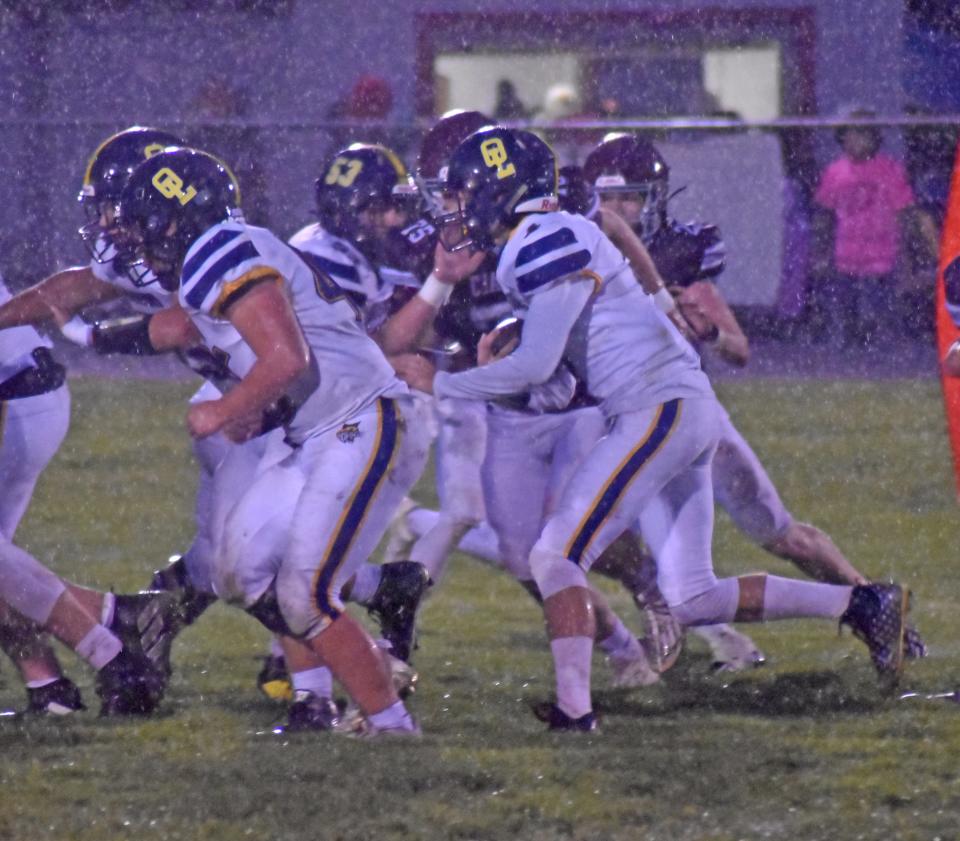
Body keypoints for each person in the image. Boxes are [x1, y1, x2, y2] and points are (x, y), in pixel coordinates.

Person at [400, 126, 912, 731]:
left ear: (498, 192)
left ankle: (574, 711)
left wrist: (444, 383)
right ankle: (865, 604)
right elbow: (559, 380)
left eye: (464, 192)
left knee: (554, 553)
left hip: (656, 408)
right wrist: (505, 373)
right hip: (671, 407)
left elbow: (539, 362)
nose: (453, 206)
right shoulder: (547, 235)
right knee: (693, 596)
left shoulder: (541, 239)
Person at [115, 146, 436, 736]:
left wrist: (227, 409)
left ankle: (391, 727)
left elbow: (287, 357)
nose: (134, 240)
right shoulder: (220, 252)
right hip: (313, 433)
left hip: (357, 420)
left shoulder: (220, 249)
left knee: (305, 595)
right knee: (236, 570)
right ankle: (369, 650)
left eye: (139, 225)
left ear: (172, 220)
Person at [582, 132, 928, 665]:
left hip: (684, 421)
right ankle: (693, 638)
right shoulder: (576, 252)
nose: (618, 211)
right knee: (604, 541)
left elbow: (738, 349)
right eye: (608, 199)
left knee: (781, 535)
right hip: (627, 424)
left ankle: (874, 608)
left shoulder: (679, 253)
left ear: (654, 197)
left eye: (629, 197)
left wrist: (707, 333)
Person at [811, 111, 918, 348]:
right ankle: (849, 359)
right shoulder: (835, 172)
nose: (857, 141)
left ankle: (883, 362)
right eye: (851, 135)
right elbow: (825, 216)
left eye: (863, 135)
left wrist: (906, 256)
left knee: (882, 318)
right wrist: (820, 253)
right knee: (845, 316)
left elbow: (904, 212)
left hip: (882, 257)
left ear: (874, 138)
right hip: (846, 257)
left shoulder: (889, 170)